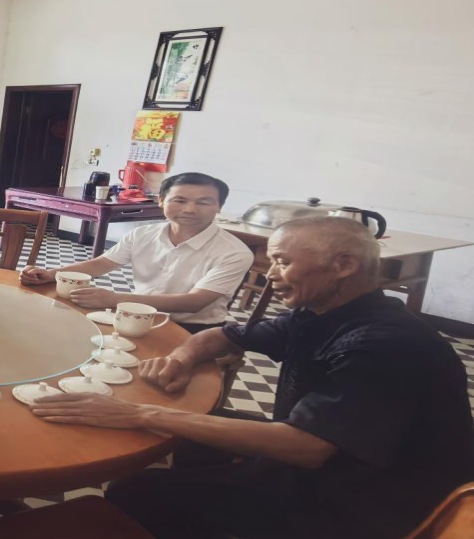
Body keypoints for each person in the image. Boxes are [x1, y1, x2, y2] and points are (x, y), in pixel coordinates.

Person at [28, 217, 474, 539]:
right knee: (191, 440)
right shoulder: (323, 312)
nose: (270, 273)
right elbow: (221, 335)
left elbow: (307, 447)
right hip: (331, 457)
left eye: (281, 262)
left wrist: (139, 413)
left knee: (140, 489)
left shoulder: (383, 345)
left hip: (370, 502)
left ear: (343, 265)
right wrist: (182, 356)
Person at [21, 172, 253, 333]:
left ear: (219, 207)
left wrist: (114, 299)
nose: (190, 209)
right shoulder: (143, 234)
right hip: (136, 314)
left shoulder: (234, 253)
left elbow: (195, 302)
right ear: (161, 201)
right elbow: (102, 264)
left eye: (204, 202)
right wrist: (51, 274)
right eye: (179, 200)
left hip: (193, 329)